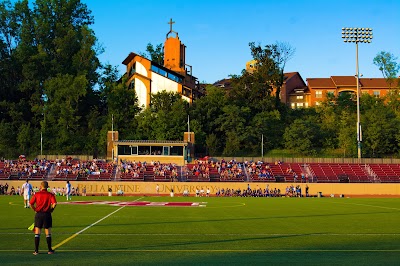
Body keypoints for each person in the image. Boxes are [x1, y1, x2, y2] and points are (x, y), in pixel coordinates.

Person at [30, 181, 57, 255]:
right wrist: (51, 210)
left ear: (41, 186)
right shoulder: (50, 194)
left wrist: (35, 209)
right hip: (47, 214)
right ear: (47, 187)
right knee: (48, 232)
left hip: (38, 214)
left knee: (37, 232)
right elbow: (54, 203)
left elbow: (31, 203)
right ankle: (49, 250)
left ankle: (36, 251)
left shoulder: (37, 194)